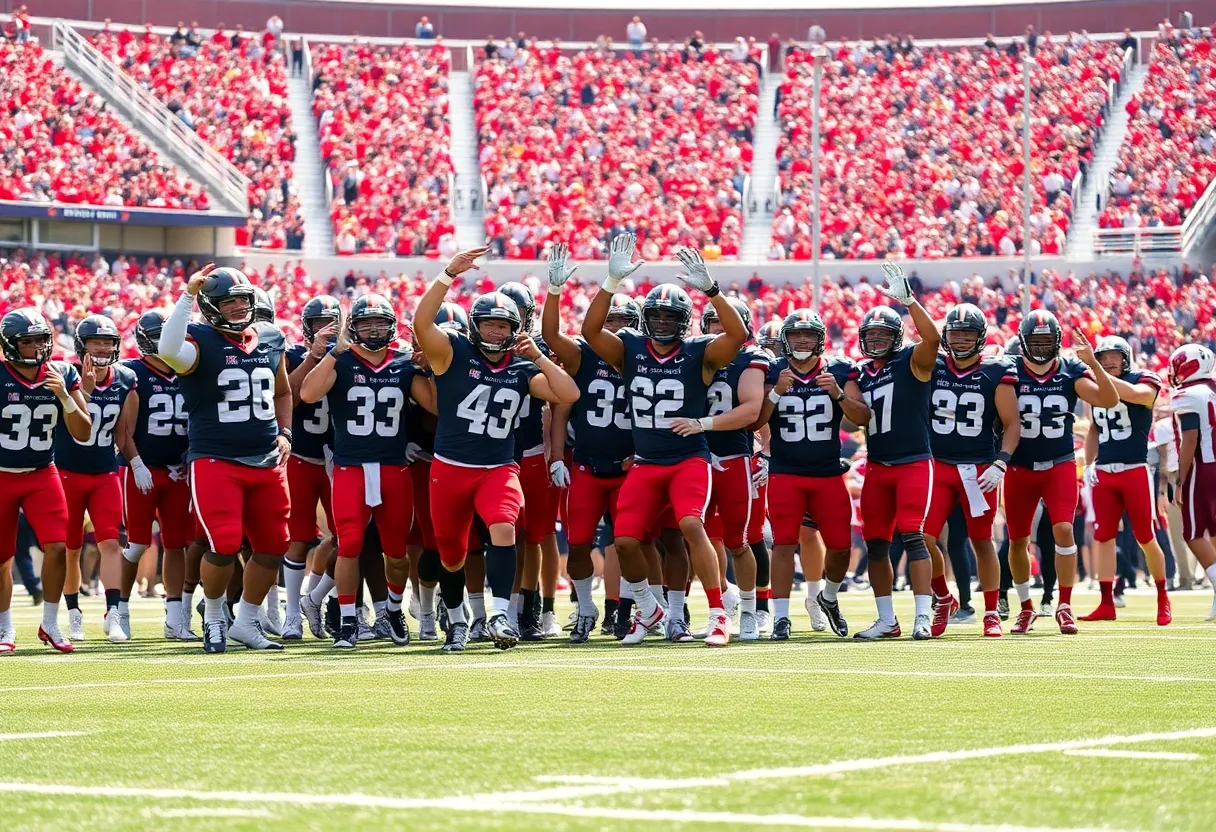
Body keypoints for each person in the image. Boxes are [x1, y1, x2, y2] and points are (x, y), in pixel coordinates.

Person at [578, 234, 748, 647]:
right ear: (645, 318)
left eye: (672, 318)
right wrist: (610, 283)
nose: (663, 324)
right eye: (657, 316)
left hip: (689, 456)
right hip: (647, 461)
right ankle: (648, 607)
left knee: (690, 522)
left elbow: (738, 335)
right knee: (625, 540)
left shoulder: (700, 352)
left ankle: (718, 613)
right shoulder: (629, 349)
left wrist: (712, 290)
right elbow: (589, 329)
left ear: (684, 321)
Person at [413, 247, 579, 652]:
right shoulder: (452, 353)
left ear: (516, 330)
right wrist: (450, 272)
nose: (496, 334)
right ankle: (456, 621)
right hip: (450, 467)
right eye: (489, 326)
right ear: (475, 326)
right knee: (451, 555)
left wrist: (538, 355)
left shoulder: (523, 368)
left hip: (498, 467)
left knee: (504, 528)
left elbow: (568, 392)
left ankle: (501, 614)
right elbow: (421, 323)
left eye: (504, 328)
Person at [158, 265, 293, 654]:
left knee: (273, 545)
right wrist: (187, 296)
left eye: (242, 299)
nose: (237, 306)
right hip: (217, 459)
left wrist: (285, 433)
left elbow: (283, 393)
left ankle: (247, 622)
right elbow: (167, 349)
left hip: (267, 457)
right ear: (211, 307)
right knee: (223, 542)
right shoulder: (198, 339)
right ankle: (215, 617)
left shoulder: (269, 336)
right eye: (227, 301)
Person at [300, 294, 437, 649]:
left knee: (395, 551)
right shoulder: (342, 360)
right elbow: (309, 392)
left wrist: (430, 367)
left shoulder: (405, 361)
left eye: (379, 321)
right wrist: (332, 351)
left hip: (394, 466)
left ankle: (392, 610)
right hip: (351, 466)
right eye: (364, 323)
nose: (373, 329)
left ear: (391, 325)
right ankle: (348, 621)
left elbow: (436, 405)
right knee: (349, 544)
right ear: (352, 328)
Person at [542, 247, 637, 643]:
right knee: (578, 542)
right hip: (587, 465)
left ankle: (626, 609)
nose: (614, 329)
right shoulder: (582, 357)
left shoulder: (645, 359)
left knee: (631, 544)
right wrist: (553, 290)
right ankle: (584, 607)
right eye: (608, 320)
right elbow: (549, 336)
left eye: (622, 322)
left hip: (631, 467)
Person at [1004, 310, 1118, 635]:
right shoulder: (1009, 370)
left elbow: (1109, 399)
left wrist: (1094, 363)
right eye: (1035, 341)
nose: (1041, 348)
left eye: (1046, 341)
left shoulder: (1070, 370)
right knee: (1017, 540)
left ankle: (1064, 605)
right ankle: (1026, 607)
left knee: (1065, 530)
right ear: (1023, 342)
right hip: (1019, 466)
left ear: (1057, 342)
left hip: (1059, 463)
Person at [757, 309, 868, 640]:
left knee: (840, 545)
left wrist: (838, 394)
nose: (801, 341)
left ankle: (829, 597)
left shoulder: (838, 370)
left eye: (808, 335)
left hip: (827, 472)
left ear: (820, 339)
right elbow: (754, 419)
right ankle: (780, 617)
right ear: (785, 341)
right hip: (786, 471)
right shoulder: (772, 370)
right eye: (795, 335)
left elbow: (860, 418)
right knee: (783, 544)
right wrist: (775, 392)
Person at [853, 263, 941, 640]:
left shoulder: (912, 361)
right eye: (870, 335)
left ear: (897, 336)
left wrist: (910, 302)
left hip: (912, 462)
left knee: (913, 535)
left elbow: (934, 340)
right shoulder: (858, 373)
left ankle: (923, 612)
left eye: (882, 335)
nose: (875, 341)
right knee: (875, 543)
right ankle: (887, 619)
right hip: (877, 465)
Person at [922, 303, 1020, 639]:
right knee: (923, 537)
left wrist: (1001, 462)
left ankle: (991, 613)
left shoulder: (996, 370)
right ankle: (944, 597)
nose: (961, 339)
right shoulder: (932, 366)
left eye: (968, 333)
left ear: (980, 337)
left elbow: (1012, 424)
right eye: (955, 333)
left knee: (981, 540)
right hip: (938, 464)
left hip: (978, 467)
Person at [0, 308, 92, 654]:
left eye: (42, 339)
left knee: (58, 547)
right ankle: (4, 628)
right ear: (11, 345)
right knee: (2, 559)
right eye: (29, 341)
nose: (38, 347)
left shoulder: (63, 373)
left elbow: (84, 432)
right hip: (2, 476)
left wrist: (65, 397)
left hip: (41, 473)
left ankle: (51, 623)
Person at [55, 315, 139, 644]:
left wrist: (136, 462)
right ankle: (74, 612)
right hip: (66, 471)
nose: (102, 348)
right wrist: (84, 393)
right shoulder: (65, 374)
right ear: (82, 346)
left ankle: (113, 612)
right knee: (69, 549)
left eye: (108, 342)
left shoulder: (125, 379)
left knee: (110, 543)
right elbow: (66, 421)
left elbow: (123, 432)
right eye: (95, 342)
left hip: (105, 471)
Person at [1081, 336, 1171, 626]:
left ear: (1126, 356)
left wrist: (1096, 369)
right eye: (1103, 357)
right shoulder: (1096, 383)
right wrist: (1089, 462)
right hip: (1104, 471)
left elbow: (1137, 395)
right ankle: (1107, 602)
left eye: (1113, 357)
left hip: (1135, 469)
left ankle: (1162, 597)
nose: (1108, 361)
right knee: (1103, 536)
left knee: (1145, 535)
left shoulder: (1145, 378)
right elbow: (1095, 427)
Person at [119, 310, 195, 641]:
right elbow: (123, 429)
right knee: (136, 543)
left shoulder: (189, 372)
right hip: (142, 468)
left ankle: (175, 617)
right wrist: (135, 463)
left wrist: (190, 458)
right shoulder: (132, 373)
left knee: (176, 544)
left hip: (177, 471)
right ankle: (119, 609)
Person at [699, 297, 767, 638]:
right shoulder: (695, 355)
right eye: (713, 322)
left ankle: (751, 609)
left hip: (734, 456)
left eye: (725, 322)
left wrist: (704, 424)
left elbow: (755, 413)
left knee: (738, 540)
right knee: (699, 536)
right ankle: (722, 603)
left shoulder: (751, 359)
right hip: (696, 457)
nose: (719, 328)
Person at [283, 296, 340, 640]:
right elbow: (290, 392)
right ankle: (291, 613)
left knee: (349, 538)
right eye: (319, 323)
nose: (326, 329)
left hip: (338, 458)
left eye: (332, 322)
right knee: (298, 539)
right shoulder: (291, 356)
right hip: (301, 457)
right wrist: (315, 355)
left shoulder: (349, 355)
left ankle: (317, 598)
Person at [1165, 344, 1216, 621]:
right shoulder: (1211, 389)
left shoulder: (1188, 395)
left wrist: (1181, 480)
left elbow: (1190, 439)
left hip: (1205, 467)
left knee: (1193, 532)